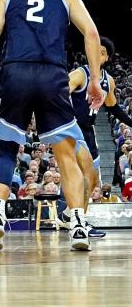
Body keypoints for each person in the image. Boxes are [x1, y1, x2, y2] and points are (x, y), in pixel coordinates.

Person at [0, 0, 104, 252]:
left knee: (8, 149)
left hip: (15, 73)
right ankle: (77, 224)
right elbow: (91, 34)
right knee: (65, 153)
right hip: (53, 74)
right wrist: (96, 82)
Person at [60, 37, 131, 237]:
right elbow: (60, 92)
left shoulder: (108, 80)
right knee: (84, 176)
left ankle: (69, 215)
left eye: (100, 52)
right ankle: (78, 221)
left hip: (88, 131)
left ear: (107, 57)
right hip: (72, 129)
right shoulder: (80, 73)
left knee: (92, 182)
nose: (94, 54)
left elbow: (113, 107)